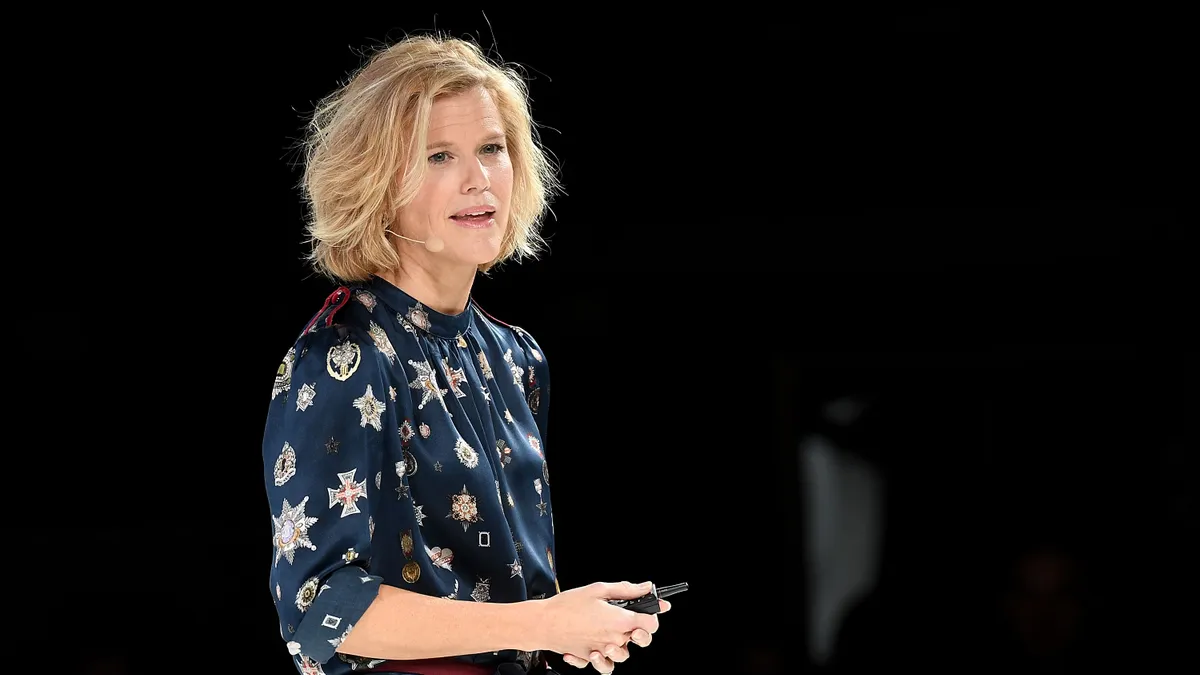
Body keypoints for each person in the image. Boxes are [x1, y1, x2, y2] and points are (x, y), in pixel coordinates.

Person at [260, 35, 669, 675]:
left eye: (492, 149)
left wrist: (568, 627)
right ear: (374, 181)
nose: (478, 179)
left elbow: (500, 603)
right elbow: (319, 614)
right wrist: (540, 622)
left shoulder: (515, 357)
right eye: (439, 156)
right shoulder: (342, 357)